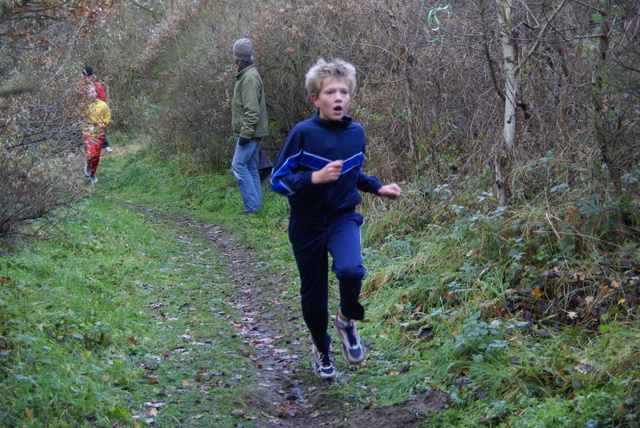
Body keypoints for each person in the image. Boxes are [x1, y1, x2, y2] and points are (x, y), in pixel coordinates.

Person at [270, 58, 403, 379]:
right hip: (306, 225)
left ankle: (346, 318)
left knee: (351, 269)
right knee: (314, 298)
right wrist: (313, 179)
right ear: (316, 99)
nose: (339, 98)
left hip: (342, 217)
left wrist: (378, 187)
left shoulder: (356, 133)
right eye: (331, 92)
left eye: (344, 91)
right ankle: (322, 348)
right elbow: (277, 179)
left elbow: (353, 172)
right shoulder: (303, 134)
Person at [231, 38, 269, 214]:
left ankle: (252, 207)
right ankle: (256, 207)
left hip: (250, 132)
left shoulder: (249, 77)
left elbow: (252, 110)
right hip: (252, 131)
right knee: (251, 167)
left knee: (238, 166)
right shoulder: (248, 74)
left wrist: (245, 134)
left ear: (238, 57)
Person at [82, 85, 111, 184]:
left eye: (94, 92)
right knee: (92, 152)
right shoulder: (83, 106)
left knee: (97, 156)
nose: (92, 94)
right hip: (88, 131)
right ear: (85, 95)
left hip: (99, 133)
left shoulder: (103, 105)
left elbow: (107, 117)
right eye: (90, 93)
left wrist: (103, 123)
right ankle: (88, 165)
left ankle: (92, 174)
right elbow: (78, 116)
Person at [81, 66, 112, 152]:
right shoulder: (81, 84)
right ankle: (77, 148)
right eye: (85, 76)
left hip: (97, 108)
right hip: (85, 108)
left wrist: (97, 105)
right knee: (82, 128)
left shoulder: (96, 84)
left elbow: (102, 95)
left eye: (88, 76)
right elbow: (78, 96)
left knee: (99, 127)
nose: (86, 78)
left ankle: (105, 145)